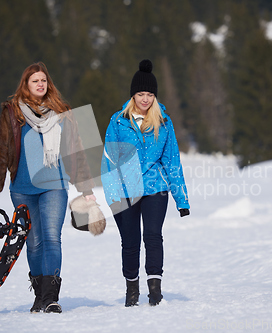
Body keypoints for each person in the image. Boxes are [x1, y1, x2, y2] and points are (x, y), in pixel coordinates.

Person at [0, 62, 95, 313]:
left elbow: (75, 153)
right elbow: (0, 152)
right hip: (22, 188)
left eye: (43, 80)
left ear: (49, 84)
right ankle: (38, 296)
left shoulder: (63, 113)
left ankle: (51, 297)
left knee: (52, 239)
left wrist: (85, 188)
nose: (40, 84)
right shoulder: (13, 113)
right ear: (26, 84)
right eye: (35, 81)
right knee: (33, 243)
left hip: (54, 185)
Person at [101, 59, 190, 307]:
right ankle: (132, 291)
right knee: (130, 242)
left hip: (155, 189)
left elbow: (172, 162)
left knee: (152, 236)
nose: (145, 99)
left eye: (150, 94)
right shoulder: (118, 122)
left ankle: (155, 291)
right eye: (140, 94)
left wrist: (181, 199)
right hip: (125, 190)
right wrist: (112, 195)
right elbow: (109, 161)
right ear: (133, 95)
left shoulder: (164, 122)